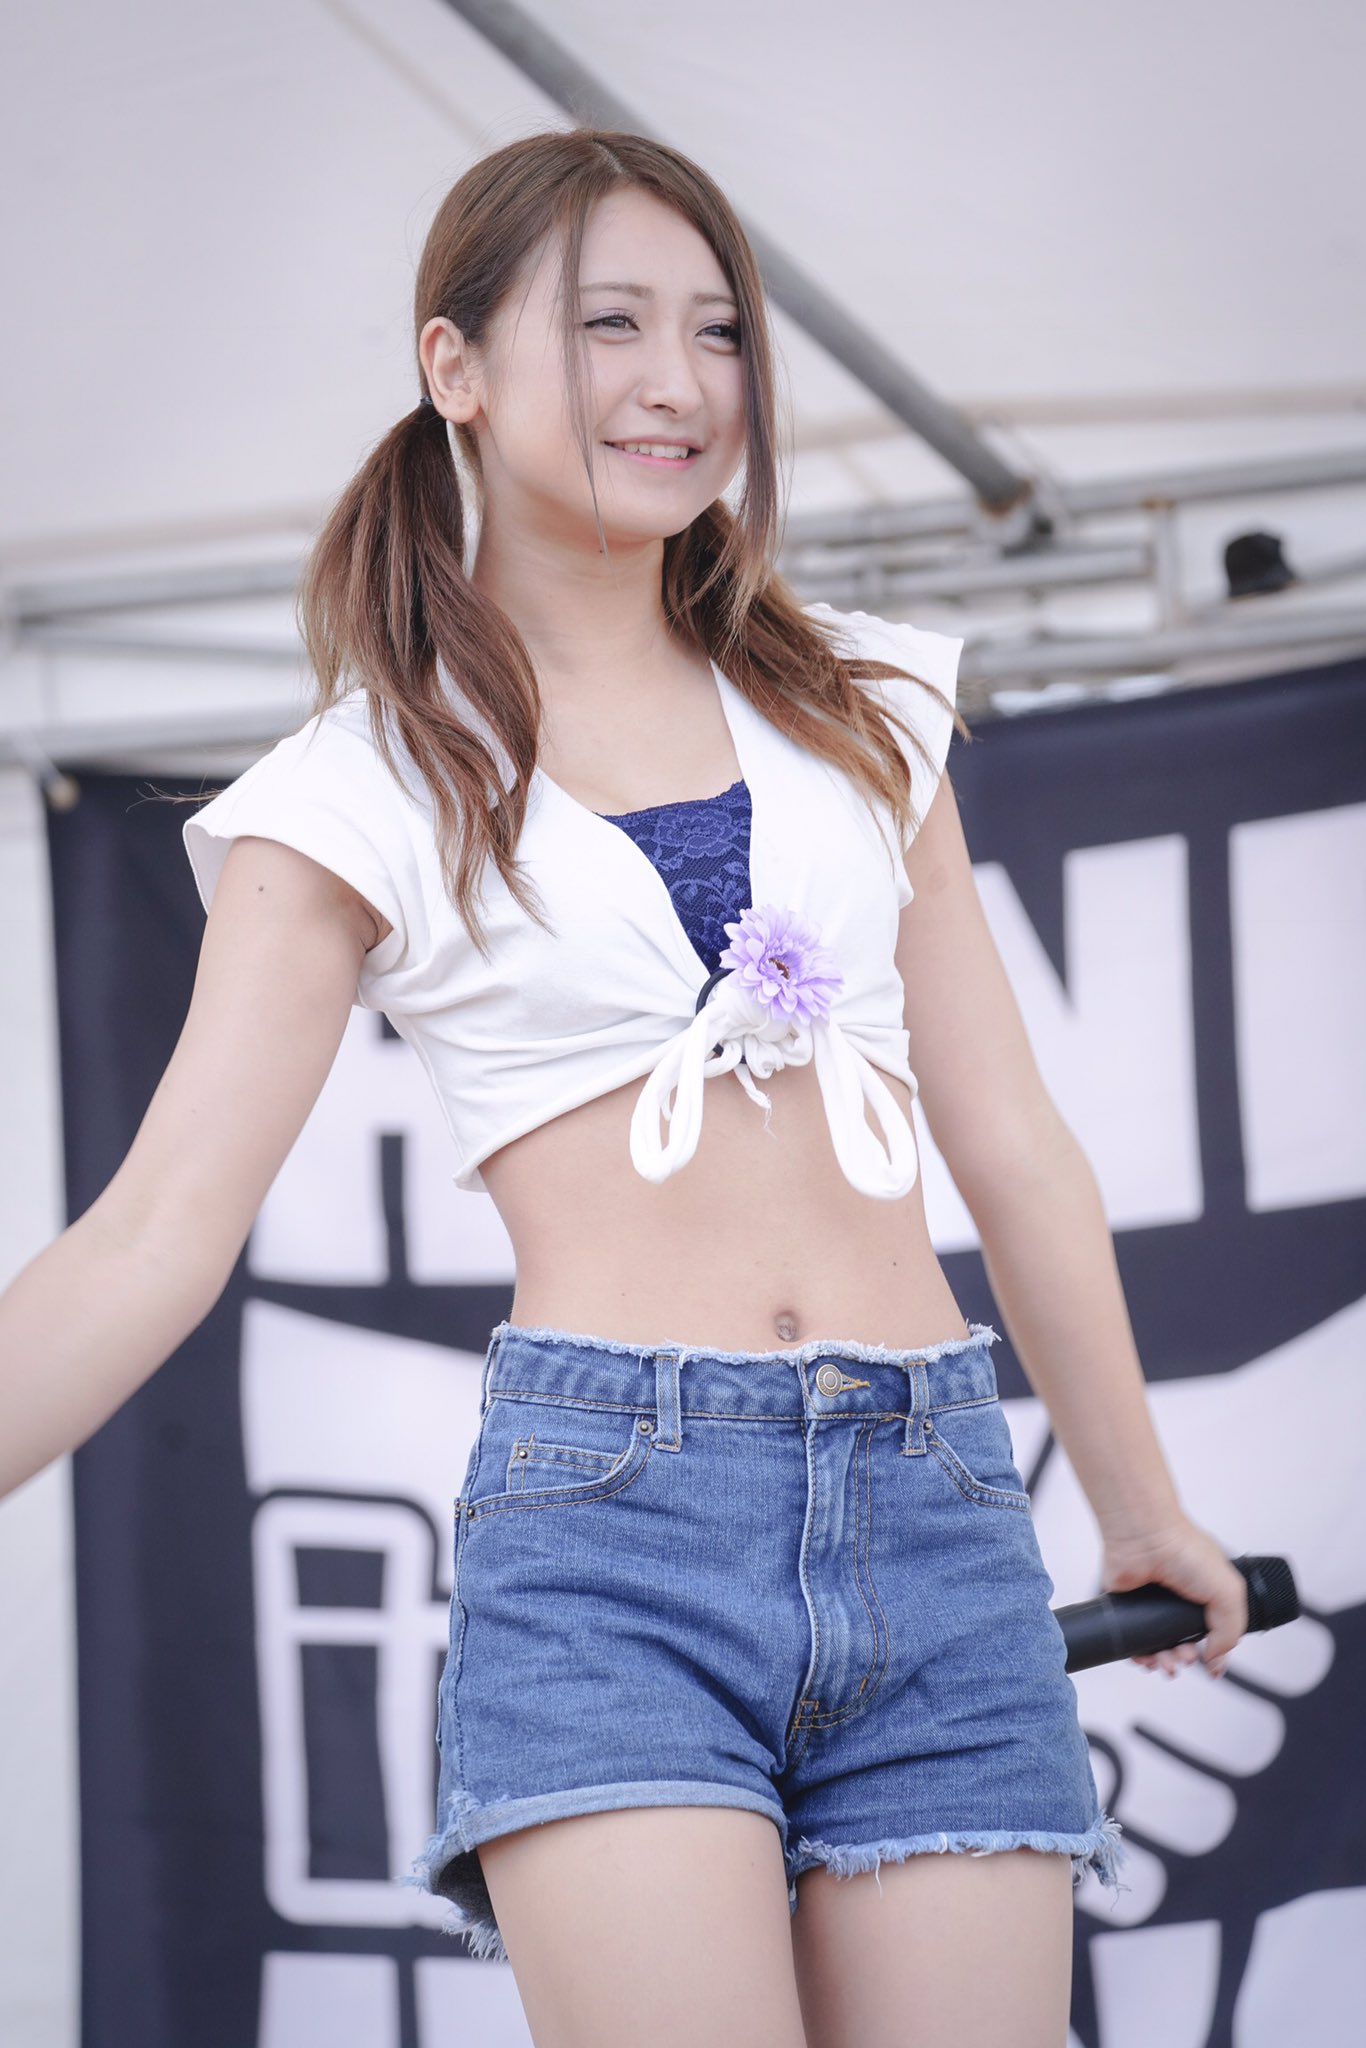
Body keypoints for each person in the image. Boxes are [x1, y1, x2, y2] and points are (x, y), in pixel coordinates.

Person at [0, 127, 1248, 2048]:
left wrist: (1140, 1506)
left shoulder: (863, 707)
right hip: (612, 1534)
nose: (679, 382)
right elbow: (152, 1237)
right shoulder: (358, 791)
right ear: (454, 366)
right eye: (609, 326)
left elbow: (1012, 1144)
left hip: (932, 1496)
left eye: (717, 332)